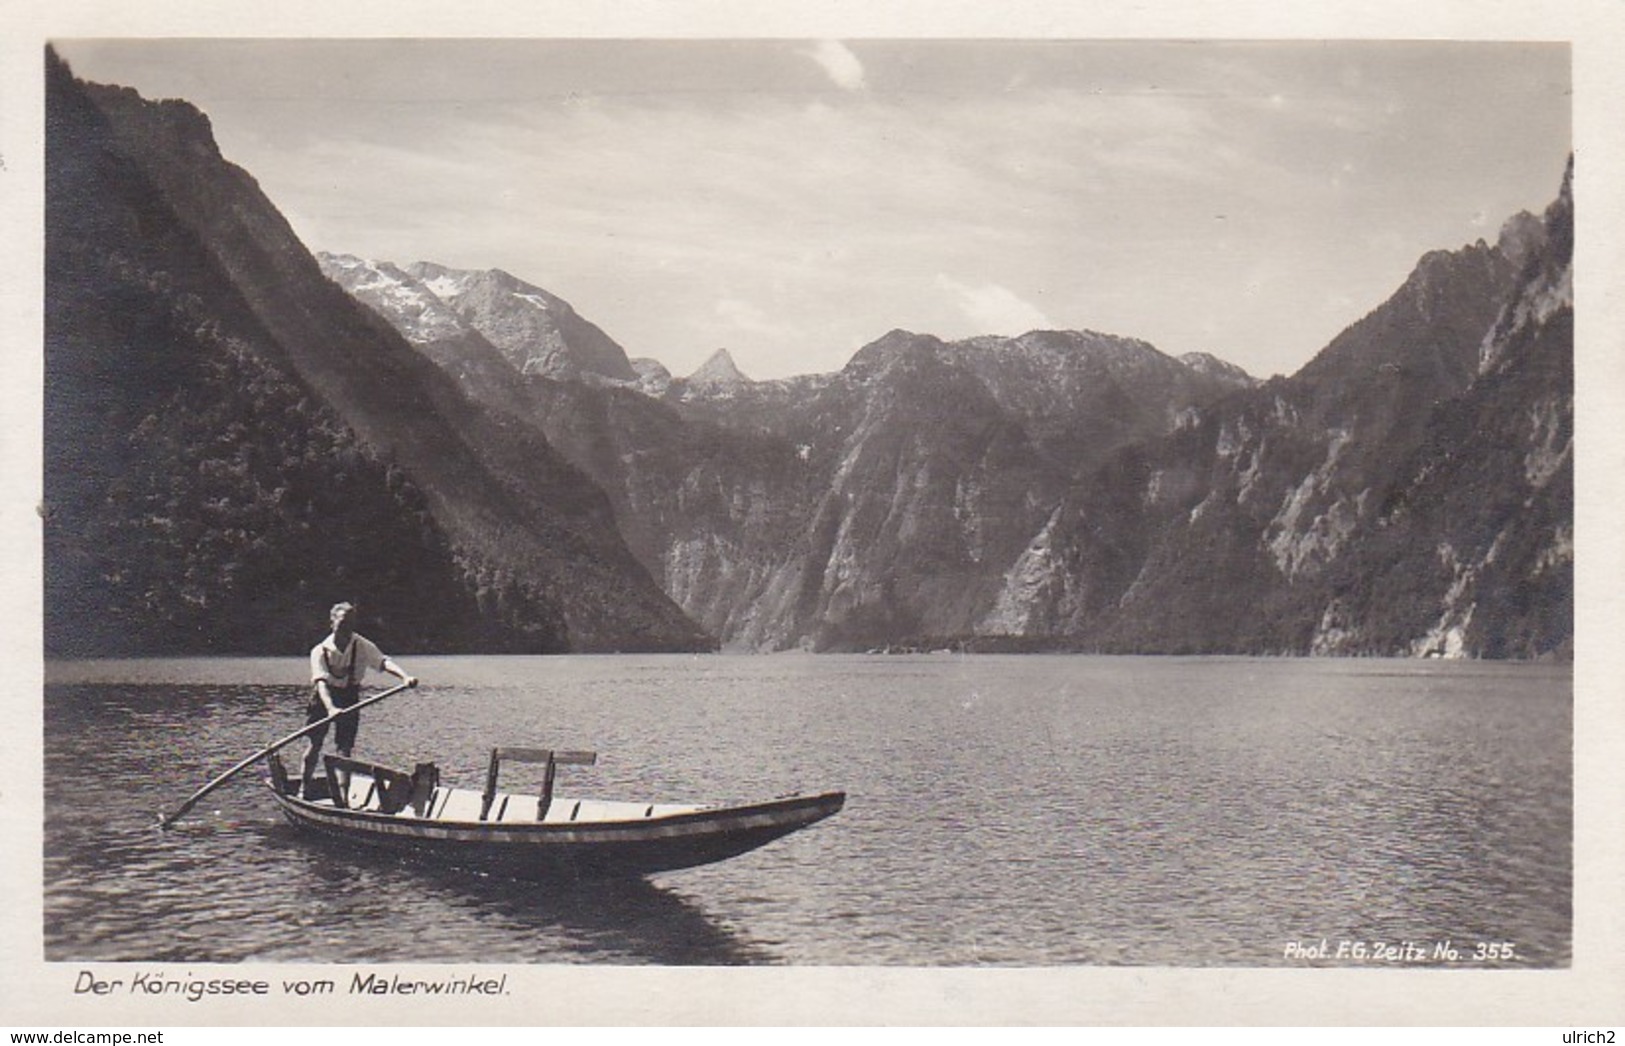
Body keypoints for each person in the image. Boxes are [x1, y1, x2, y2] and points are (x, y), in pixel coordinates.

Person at [301, 601, 417, 797]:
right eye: (342, 622)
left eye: (350, 623)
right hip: (323, 699)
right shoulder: (319, 651)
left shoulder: (361, 645)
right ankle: (305, 788)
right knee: (315, 743)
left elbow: (383, 661)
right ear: (332, 622)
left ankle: (343, 797)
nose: (346, 627)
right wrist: (330, 709)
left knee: (344, 749)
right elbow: (321, 684)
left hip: (349, 696)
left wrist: (404, 676)